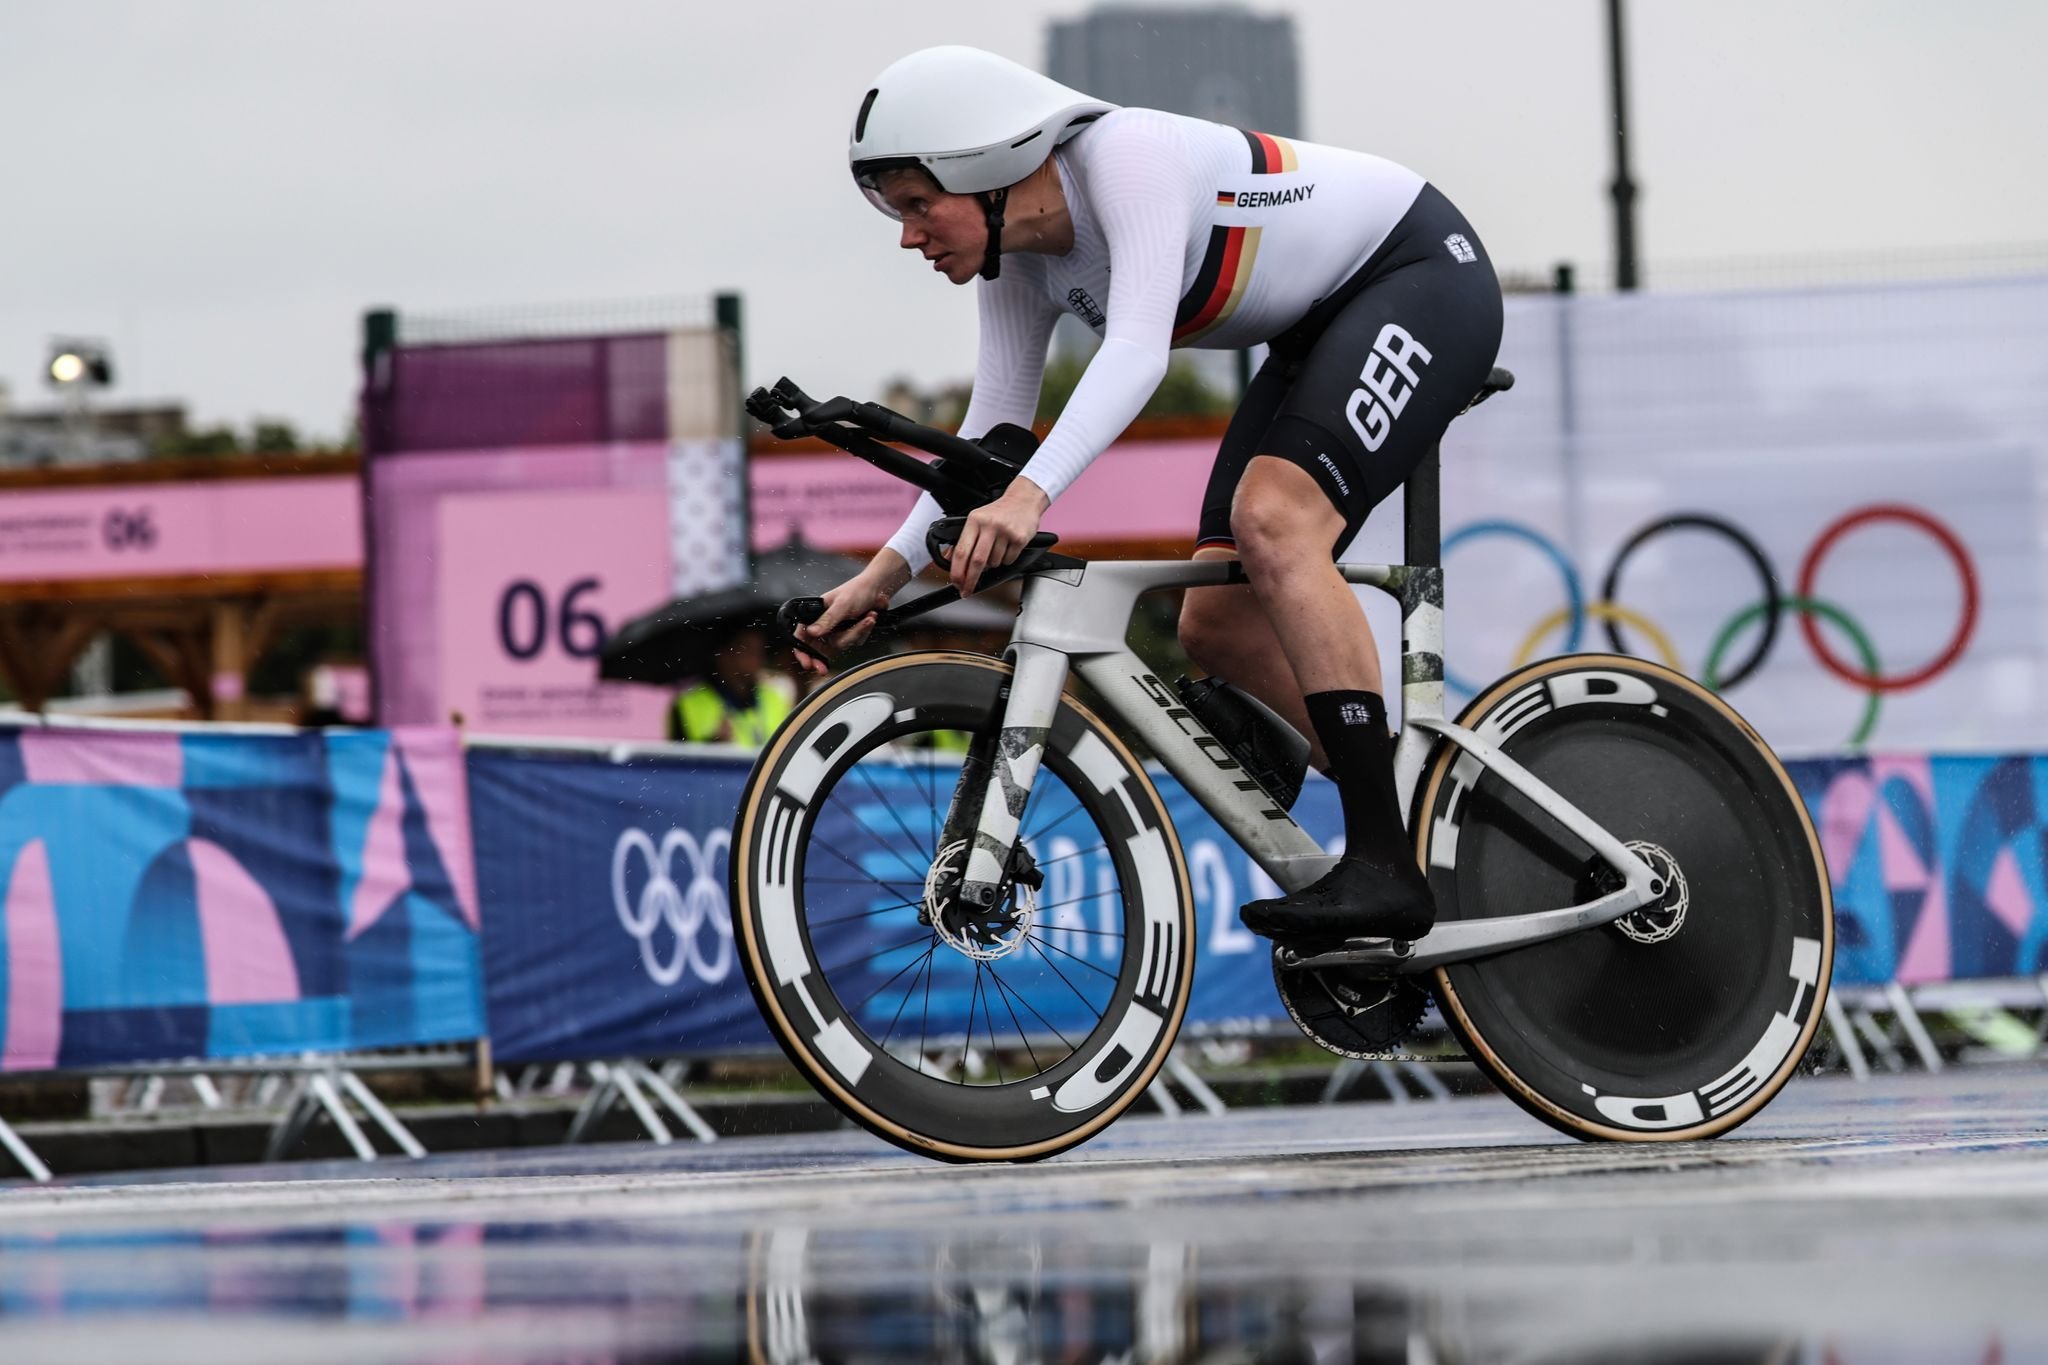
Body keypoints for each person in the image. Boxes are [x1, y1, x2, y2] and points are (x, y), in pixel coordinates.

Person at [798, 46, 1504, 947]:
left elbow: (1136, 351)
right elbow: (991, 436)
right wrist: (875, 585)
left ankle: (1382, 865)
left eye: (916, 205)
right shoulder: (1016, 260)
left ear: (982, 170)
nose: (909, 235)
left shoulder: (1125, 158)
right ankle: (1425, 817)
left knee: (1275, 521)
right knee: (1216, 625)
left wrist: (1030, 497)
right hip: (1315, 330)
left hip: (1419, 274)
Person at [671, 625, 795, 745]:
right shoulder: (688, 703)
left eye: (760, 651)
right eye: (748, 650)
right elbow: (677, 762)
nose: (757, 659)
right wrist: (713, 744)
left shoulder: (775, 698)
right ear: (723, 654)